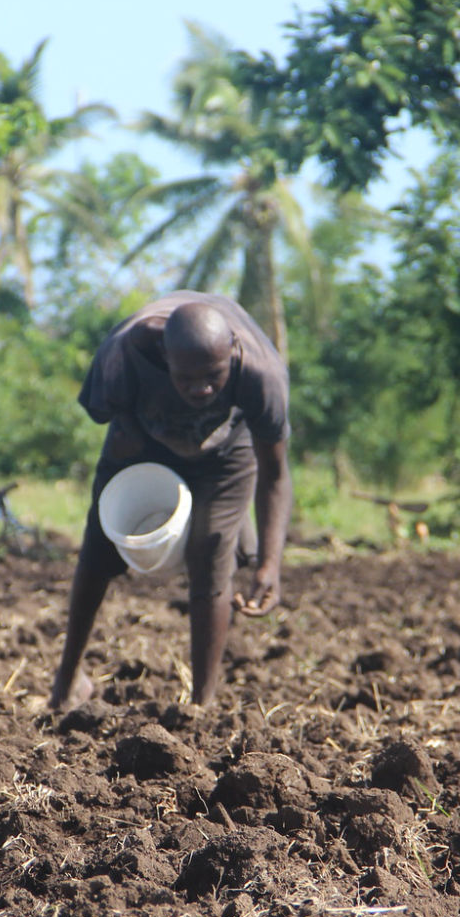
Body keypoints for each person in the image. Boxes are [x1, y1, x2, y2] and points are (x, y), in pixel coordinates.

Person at [48, 291, 292, 711]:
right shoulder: (126, 351)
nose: (201, 388)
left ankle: (201, 705)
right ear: (164, 355)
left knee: (211, 550)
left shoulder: (260, 374)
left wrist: (270, 561)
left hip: (227, 453)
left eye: (213, 376)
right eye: (186, 378)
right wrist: (134, 451)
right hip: (143, 437)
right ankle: (66, 683)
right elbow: (105, 415)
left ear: (232, 354)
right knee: (99, 544)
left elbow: (274, 473)